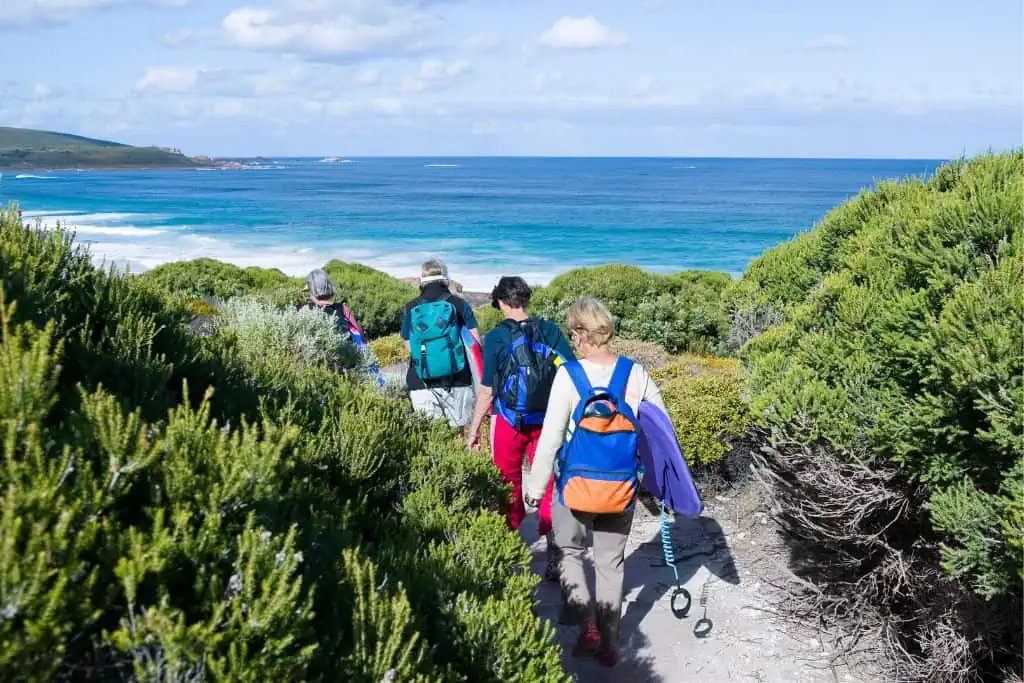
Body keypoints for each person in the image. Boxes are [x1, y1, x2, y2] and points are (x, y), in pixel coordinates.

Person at [524, 296, 670, 668]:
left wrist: (535, 489)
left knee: (571, 554)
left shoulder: (569, 375)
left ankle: (586, 626)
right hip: (619, 488)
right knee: (610, 562)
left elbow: (552, 438)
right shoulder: (635, 374)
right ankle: (609, 641)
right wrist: (663, 486)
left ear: (578, 332)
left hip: (573, 488)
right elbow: (660, 431)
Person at [465, 276, 575, 581]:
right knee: (549, 482)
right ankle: (555, 549)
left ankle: (510, 551)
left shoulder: (498, 337)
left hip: (509, 421)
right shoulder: (550, 330)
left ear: (500, 302)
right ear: (526, 300)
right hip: (548, 421)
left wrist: (474, 430)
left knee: (507, 482)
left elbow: (487, 390)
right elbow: (571, 372)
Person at [401, 259, 480, 429]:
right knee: (457, 437)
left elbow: (409, 346)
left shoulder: (410, 308)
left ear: (422, 279)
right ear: (445, 277)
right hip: (458, 379)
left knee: (433, 438)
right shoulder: (459, 304)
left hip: (420, 382)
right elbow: (475, 344)